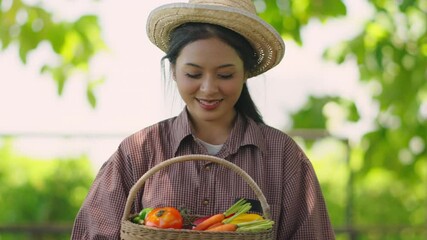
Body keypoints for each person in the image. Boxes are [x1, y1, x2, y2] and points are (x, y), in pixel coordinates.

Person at [71, 0, 335, 239]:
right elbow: (94, 233)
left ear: (245, 74)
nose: (208, 89)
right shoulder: (138, 152)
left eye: (225, 75)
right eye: (194, 74)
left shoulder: (283, 157)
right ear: (173, 70)